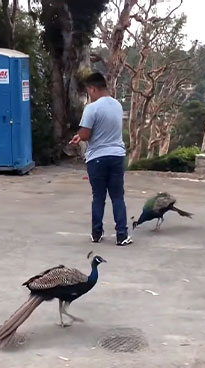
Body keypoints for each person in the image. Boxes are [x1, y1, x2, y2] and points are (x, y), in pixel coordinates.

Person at [69, 72, 132, 246]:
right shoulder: (118, 105)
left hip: (97, 158)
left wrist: (78, 136)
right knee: (118, 197)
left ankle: (96, 233)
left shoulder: (92, 108)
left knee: (99, 197)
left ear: (93, 89)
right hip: (117, 156)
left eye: (90, 91)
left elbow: (86, 134)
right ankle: (122, 235)